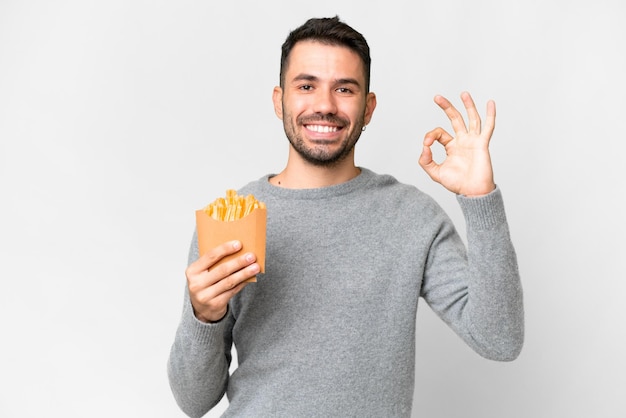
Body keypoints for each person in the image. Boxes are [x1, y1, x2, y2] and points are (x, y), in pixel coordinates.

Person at [167, 16, 524, 418]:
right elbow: (193, 402)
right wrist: (204, 316)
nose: (324, 105)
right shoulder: (233, 218)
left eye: (344, 89)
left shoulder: (411, 217)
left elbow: (500, 339)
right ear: (278, 100)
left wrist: (481, 201)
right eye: (306, 86)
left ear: (368, 107)